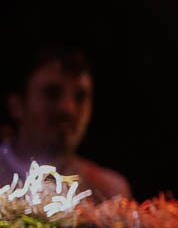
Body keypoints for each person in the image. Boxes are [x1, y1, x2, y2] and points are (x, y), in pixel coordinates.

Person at [1, 48, 131, 203]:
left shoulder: (109, 192)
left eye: (80, 97)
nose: (68, 109)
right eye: (52, 93)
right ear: (17, 105)